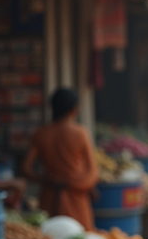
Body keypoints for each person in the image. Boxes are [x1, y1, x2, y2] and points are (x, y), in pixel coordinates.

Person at [22, 89, 100, 229]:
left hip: (49, 197)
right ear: (74, 109)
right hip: (76, 199)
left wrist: (47, 180)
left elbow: (26, 169)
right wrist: (77, 183)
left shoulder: (41, 134)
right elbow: (92, 173)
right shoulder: (81, 133)